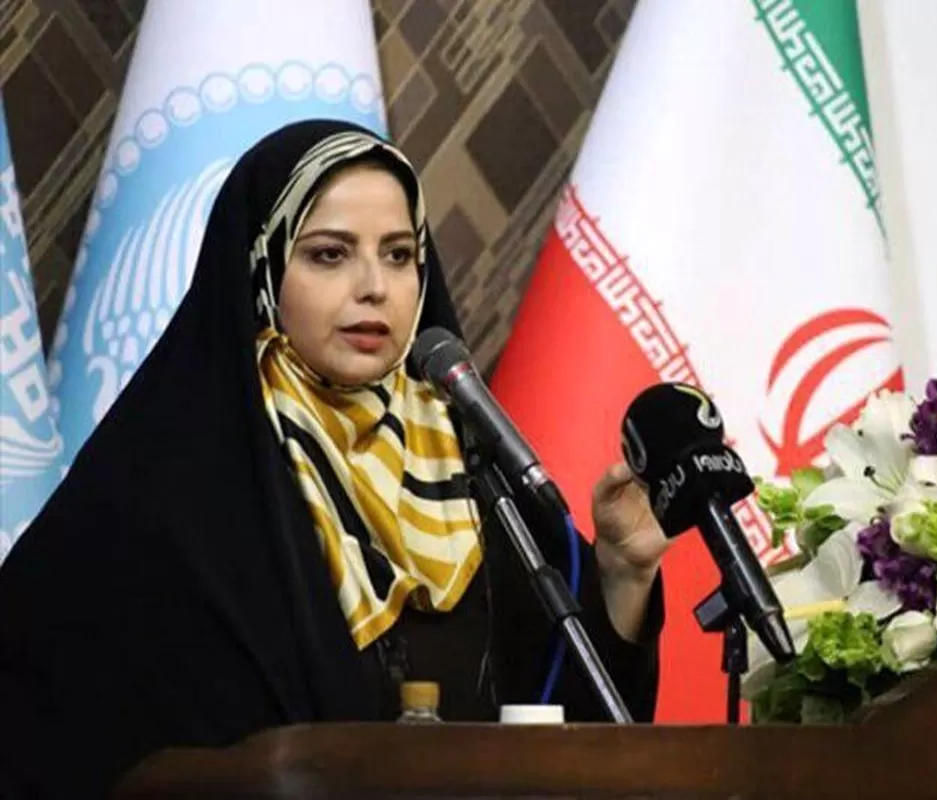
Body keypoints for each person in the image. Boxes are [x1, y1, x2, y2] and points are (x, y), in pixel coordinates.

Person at [0, 119, 670, 798]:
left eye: (399, 254)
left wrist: (624, 574)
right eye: (329, 254)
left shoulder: (470, 462)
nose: (374, 286)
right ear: (263, 267)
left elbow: (569, 729)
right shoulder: (168, 476)